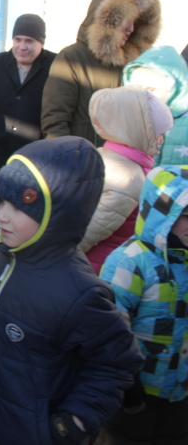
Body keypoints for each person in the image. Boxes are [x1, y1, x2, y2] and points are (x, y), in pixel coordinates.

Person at [0, 136, 143, 445]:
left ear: (59, 213)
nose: (1, 215)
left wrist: (71, 424)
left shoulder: (79, 291)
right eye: (1, 202)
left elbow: (116, 363)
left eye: (18, 207)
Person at [99, 165, 188, 445]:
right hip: (133, 400)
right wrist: (128, 388)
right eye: (186, 215)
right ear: (163, 214)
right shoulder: (131, 260)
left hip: (179, 396)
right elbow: (109, 331)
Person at [0, 14, 56, 258]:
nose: (22, 46)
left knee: (28, 215)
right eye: (17, 39)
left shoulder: (56, 66)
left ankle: (18, 268)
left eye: (29, 40)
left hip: (34, 162)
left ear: (41, 43)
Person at [41, 0, 161, 146]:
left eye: (135, 22)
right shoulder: (71, 58)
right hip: (83, 161)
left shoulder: (133, 64)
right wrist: (69, 159)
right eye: (126, 21)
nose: (131, 28)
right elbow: (55, 120)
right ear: (107, 22)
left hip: (125, 162)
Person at [79, 86, 172, 273]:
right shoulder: (127, 178)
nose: (161, 140)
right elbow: (83, 237)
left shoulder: (109, 157)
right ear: (135, 130)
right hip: (104, 272)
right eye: (157, 133)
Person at [123, 45, 188, 167]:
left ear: (174, 88)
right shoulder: (135, 120)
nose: (145, 96)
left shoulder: (184, 125)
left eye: (151, 89)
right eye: (138, 90)